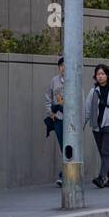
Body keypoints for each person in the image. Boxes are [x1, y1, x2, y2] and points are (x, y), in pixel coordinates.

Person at [45, 57, 66, 186]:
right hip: (58, 118)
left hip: (71, 120)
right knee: (63, 147)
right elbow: (48, 97)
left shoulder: (74, 80)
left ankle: (63, 175)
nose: (64, 68)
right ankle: (65, 174)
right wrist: (50, 112)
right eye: (62, 65)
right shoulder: (54, 81)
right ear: (59, 67)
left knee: (69, 148)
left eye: (66, 65)